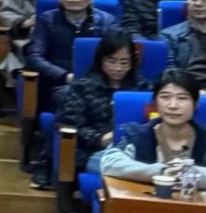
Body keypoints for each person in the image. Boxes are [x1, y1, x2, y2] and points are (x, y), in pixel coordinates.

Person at [93, 71, 206, 190]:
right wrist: (161, 171)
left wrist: (191, 174)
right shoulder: (138, 134)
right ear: (155, 103)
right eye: (165, 97)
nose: (173, 105)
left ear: (196, 104)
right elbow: (109, 164)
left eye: (182, 98)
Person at [24, 0, 119, 119]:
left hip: (99, 82)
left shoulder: (107, 21)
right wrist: (65, 76)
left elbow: (116, 54)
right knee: (68, 96)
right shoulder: (47, 20)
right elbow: (34, 56)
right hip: (58, 84)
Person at [52, 33, 141, 182]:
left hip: (133, 150)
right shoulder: (82, 87)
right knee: (116, 167)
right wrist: (99, 138)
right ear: (101, 60)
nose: (118, 68)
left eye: (124, 62)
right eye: (111, 61)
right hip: (95, 151)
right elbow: (73, 125)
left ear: (132, 63)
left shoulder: (142, 87)